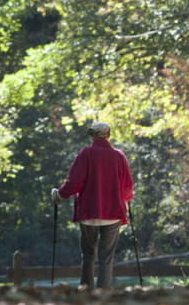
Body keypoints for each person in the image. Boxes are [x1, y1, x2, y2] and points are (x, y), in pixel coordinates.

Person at [52, 121, 134, 290]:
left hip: (89, 212)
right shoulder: (119, 156)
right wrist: (125, 200)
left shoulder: (85, 154)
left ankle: (86, 291)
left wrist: (60, 194)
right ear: (108, 135)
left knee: (88, 255)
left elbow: (74, 182)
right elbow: (127, 187)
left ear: (91, 135)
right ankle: (103, 292)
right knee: (106, 258)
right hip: (113, 213)